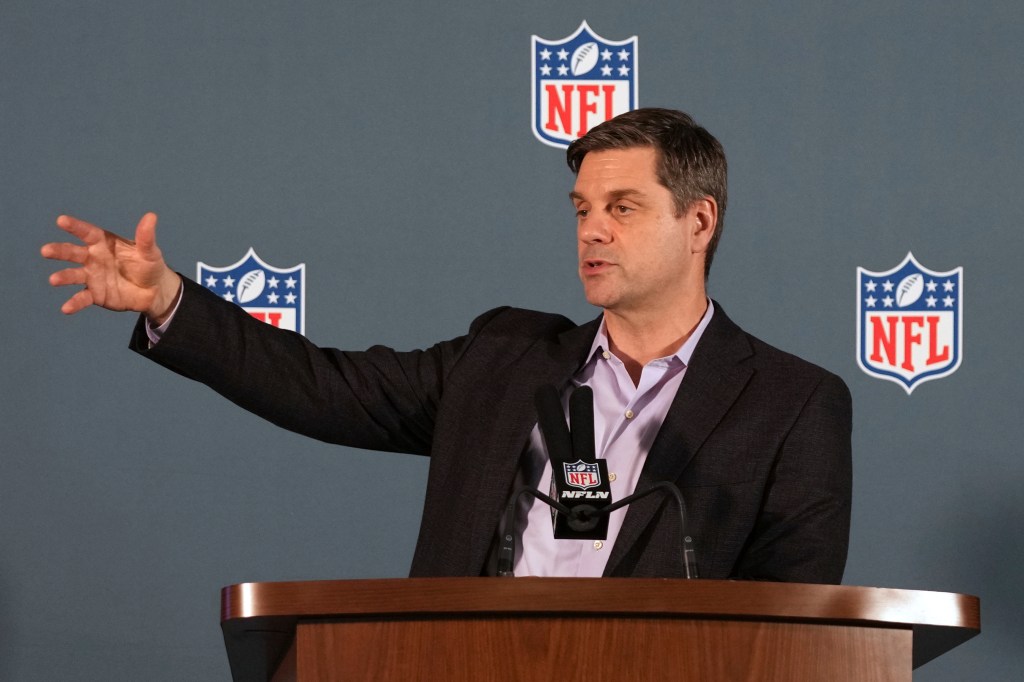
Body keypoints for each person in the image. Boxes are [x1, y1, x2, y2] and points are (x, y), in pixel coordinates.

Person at [41, 108, 852, 582]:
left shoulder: (792, 403)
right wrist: (169, 300)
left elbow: (793, 626)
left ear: (698, 221)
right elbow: (320, 386)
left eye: (624, 207)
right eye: (581, 209)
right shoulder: (503, 358)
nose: (592, 230)